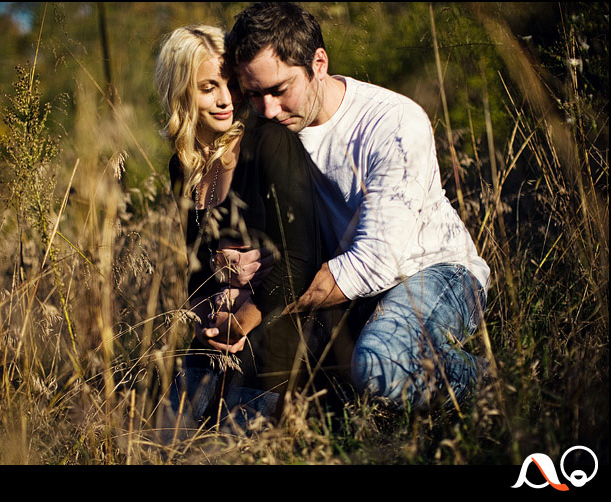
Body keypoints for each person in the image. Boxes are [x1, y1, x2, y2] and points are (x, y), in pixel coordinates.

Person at [219, 2, 491, 410]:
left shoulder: (392, 123)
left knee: (379, 364)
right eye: (255, 94)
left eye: (279, 90)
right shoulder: (266, 131)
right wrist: (232, 267)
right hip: (345, 293)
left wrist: (257, 308)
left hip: (433, 273)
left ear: (319, 63)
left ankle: (493, 384)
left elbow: (378, 260)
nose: (269, 109)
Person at [154, 24, 327, 434]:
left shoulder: (269, 142)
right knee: (163, 438)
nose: (226, 99)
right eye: (208, 87)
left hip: (278, 331)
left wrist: (244, 320)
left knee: (228, 448)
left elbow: (300, 259)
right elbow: (195, 266)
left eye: (232, 84)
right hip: (218, 331)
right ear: (179, 92)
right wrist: (204, 317)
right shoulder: (182, 165)